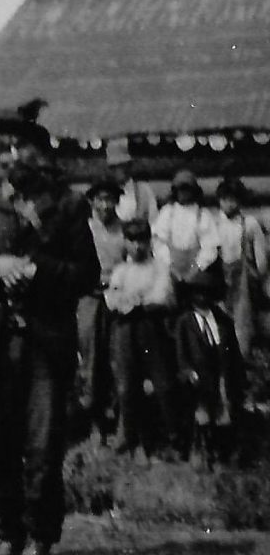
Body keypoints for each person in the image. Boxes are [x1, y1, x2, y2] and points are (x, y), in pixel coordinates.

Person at [0, 101, 99, 555]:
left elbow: (86, 274)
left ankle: (41, 536)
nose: (11, 156)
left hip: (45, 344)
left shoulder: (69, 207)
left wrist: (40, 271)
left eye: (19, 147)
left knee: (42, 445)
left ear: (39, 152)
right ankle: (5, 533)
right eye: (2, 150)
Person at [105, 220, 176, 456]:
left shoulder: (159, 268)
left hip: (152, 329)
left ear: (149, 241)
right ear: (125, 242)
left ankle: (171, 438)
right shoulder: (121, 271)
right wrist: (131, 300)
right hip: (125, 330)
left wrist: (135, 301)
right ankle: (131, 436)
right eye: (132, 240)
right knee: (126, 385)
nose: (137, 246)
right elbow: (113, 300)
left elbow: (161, 297)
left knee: (163, 384)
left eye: (142, 240)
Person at [174, 270, 246, 465]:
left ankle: (224, 450)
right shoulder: (184, 322)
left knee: (225, 412)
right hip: (198, 378)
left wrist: (236, 375)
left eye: (207, 292)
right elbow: (181, 354)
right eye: (198, 292)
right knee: (202, 413)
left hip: (221, 374)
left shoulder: (222, 321)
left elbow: (233, 352)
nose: (202, 297)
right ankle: (201, 448)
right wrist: (188, 371)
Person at [76, 174, 126, 438]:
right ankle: (95, 425)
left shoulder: (125, 230)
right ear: (92, 202)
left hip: (119, 299)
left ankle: (120, 422)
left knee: (118, 358)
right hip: (89, 299)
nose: (106, 205)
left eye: (110, 200)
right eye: (101, 200)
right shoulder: (83, 229)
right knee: (91, 360)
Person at [212, 177, 267, 357]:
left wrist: (257, 275)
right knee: (220, 321)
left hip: (243, 279)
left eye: (233, 199)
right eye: (225, 199)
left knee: (242, 323)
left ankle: (242, 361)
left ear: (240, 201)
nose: (228, 204)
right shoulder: (215, 224)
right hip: (221, 278)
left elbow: (261, 259)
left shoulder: (249, 224)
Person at [152, 170, 219, 290]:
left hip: (196, 272)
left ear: (194, 191)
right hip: (170, 270)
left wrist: (197, 267)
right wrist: (170, 266)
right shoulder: (168, 212)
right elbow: (158, 243)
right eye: (180, 189)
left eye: (187, 189)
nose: (183, 193)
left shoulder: (203, 214)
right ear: (175, 191)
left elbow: (210, 246)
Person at [107, 142, 159, 224]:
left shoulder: (143, 189)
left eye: (123, 165)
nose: (120, 170)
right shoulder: (106, 192)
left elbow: (154, 219)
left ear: (129, 166)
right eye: (114, 167)